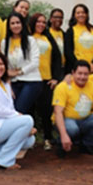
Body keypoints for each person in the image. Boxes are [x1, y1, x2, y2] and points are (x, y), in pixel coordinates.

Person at [52, 60, 93, 157]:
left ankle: (87, 145)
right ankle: (61, 142)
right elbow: (58, 112)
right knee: (72, 129)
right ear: (73, 73)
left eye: (86, 74)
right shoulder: (63, 87)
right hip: (67, 120)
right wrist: (64, 135)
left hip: (85, 119)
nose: (82, 77)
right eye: (79, 73)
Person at [28, 13, 63, 150]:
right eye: (38, 22)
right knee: (29, 111)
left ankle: (48, 138)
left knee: (46, 111)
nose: (41, 24)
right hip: (30, 78)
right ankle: (29, 139)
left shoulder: (48, 37)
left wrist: (55, 77)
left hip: (46, 79)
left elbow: (57, 58)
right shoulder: (28, 37)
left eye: (43, 22)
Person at [1, 12, 41, 115]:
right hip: (13, 82)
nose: (15, 25)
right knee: (11, 109)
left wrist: (19, 72)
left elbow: (35, 62)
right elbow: (6, 67)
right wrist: (8, 86)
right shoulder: (4, 43)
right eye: (12, 23)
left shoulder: (30, 40)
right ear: (9, 26)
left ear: (22, 24)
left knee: (18, 110)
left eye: (18, 22)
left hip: (31, 80)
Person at [64, 4, 93, 73]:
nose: (81, 15)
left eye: (83, 12)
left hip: (92, 67)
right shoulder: (70, 31)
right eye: (78, 13)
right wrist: (78, 65)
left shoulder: (92, 29)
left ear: (87, 14)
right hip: (77, 67)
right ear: (74, 15)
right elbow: (68, 51)